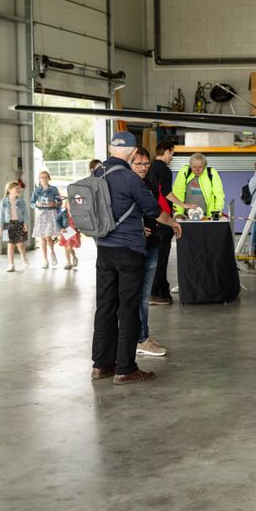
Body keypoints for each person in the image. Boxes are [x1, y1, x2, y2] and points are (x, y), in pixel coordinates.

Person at [91, 131, 181, 385]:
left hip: (104, 249)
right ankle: (125, 368)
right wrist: (173, 222)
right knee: (128, 307)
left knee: (105, 306)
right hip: (128, 251)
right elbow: (153, 210)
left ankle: (101, 365)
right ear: (131, 153)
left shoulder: (97, 174)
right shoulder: (129, 178)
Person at [132, 147, 170, 357]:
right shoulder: (126, 184)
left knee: (144, 296)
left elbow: (154, 211)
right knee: (137, 296)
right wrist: (135, 226)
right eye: (138, 163)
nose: (143, 167)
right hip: (135, 247)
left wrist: (172, 221)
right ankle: (140, 339)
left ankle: (143, 335)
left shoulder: (149, 184)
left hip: (151, 244)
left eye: (146, 164)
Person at [147, 140, 176, 305]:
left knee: (155, 257)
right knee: (161, 258)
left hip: (152, 220)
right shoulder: (164, 169)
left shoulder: (150, 168)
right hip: (163, 221)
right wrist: (183, 204)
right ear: (166, 152)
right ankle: (155, 292)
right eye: (172, 153)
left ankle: (162, 290)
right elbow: (165, 192)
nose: (172, 156)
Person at [30, 170, 62, 268]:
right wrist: (36, 204)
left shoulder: (54, 189)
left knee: (48, 237)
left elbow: (60, 201)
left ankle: (52, 253)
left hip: (51, 213)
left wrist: (55, 204)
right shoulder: (36, 190)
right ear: (39, 179)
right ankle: (45, 260)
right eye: (41, 177)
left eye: (45, 177)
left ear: (48, 178)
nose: (43, 179)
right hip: (41, 214)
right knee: (42, 237)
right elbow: (31, 203)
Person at [0, 181, 29, 272]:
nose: (18, 190)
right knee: (10, 245)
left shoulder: (21, 200)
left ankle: (23, 256)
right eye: (16, 189)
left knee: (20, 244)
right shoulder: (3, 201)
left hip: (19, 223)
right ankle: (11, 264)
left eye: (19, 188)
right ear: (9, 190)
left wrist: (26, 224)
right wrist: (0, 226)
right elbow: (1, 215)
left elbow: (25, 213)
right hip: (8, 225)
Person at [57, 197, 81, 270]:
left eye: (71, 204)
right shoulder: (63, 213)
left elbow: (81, 221)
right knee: (66, 247)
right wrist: (61, 228)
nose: (70, 205)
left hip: (73, 231)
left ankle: (74, 257)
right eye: (68, 204)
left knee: (69, 246)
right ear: (66, 205)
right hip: (66, 231)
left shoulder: (77, 213)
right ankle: (69, 263)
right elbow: (57, 221)